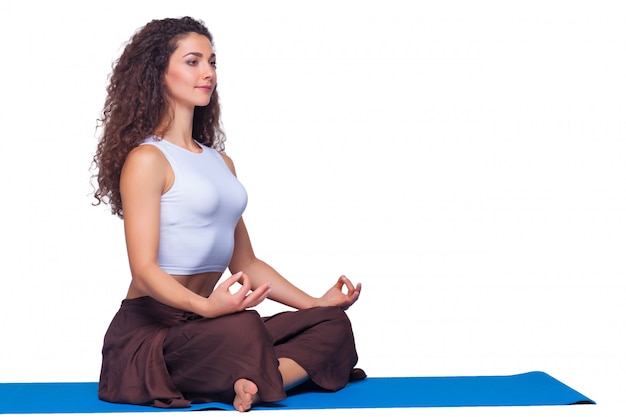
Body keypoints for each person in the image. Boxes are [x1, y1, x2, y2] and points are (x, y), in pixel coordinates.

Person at [91, 16, 363, 412]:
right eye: (193, 61)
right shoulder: (147, 159)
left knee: (331, 324)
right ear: (158, 73)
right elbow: (144, 271)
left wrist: (315, 303)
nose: (208, 73)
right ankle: (258, 375)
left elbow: (247, 262)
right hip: (150, 335)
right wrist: (205, 307)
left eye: (212, 62)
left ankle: (251, 380)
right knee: (245, 327)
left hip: (208, 326)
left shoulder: (221, 163)